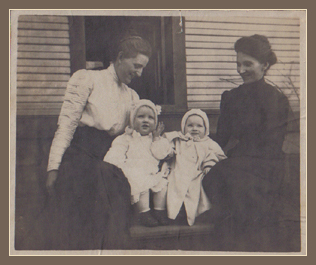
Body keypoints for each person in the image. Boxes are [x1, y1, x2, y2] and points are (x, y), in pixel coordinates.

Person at [43, 35, 152, 250]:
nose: (139, 73)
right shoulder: (86, 79)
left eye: (143, 68)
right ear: (120, 57)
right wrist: (53, 168)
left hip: (112, 161)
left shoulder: (132, 96)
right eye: (136, 66)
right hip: (82, 159)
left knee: (115, 199)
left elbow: (133, 137)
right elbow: (66, 127)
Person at [202, 34, 291, 251]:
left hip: (266, 166)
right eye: (238, 64)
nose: (240, 70)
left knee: (238, 184)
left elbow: (271, 144)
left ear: (265, 65)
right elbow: (221, 139)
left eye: (248, 64)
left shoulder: (277, 100)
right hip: (236, 164)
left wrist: (237, 158)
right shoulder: (231, 97)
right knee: (215, 176)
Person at [104, 99, 171, 227]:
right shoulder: (127, 138)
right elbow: (116, 152)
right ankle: (144, 213)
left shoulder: (156, 138)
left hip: (152, 172)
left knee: (162, 185)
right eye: (141, 117)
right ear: (133, 120)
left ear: (155, 122)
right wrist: (118, 167)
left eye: (151, 118)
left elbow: (160, 154)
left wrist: (157, 138)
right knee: (142, 187)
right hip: (133, 172)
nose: (146, 120)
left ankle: (159, 211)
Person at [161, 109, 226, 226]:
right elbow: (166, 147)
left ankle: (199, 213)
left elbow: (218, 156)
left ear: (205, 129)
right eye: (190, 125)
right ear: (183, 127)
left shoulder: (209, 143)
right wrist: (169, 152)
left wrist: (209, 165)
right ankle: (177, 212)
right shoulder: (178, 139)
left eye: (199, 126)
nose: (194, 129)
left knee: (198, 187)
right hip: (178, 170)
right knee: (174, 186)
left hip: (198, 172)